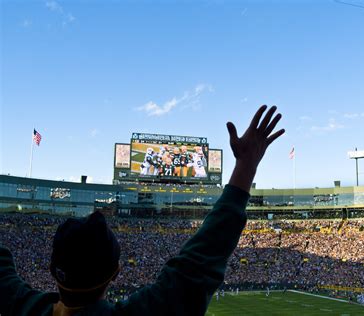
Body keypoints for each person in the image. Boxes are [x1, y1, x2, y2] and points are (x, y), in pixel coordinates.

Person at [0, 105, 284, 316]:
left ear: (51, 269)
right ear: (115, 272)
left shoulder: (19, 305)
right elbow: (201, 259)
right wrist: (246, 166)